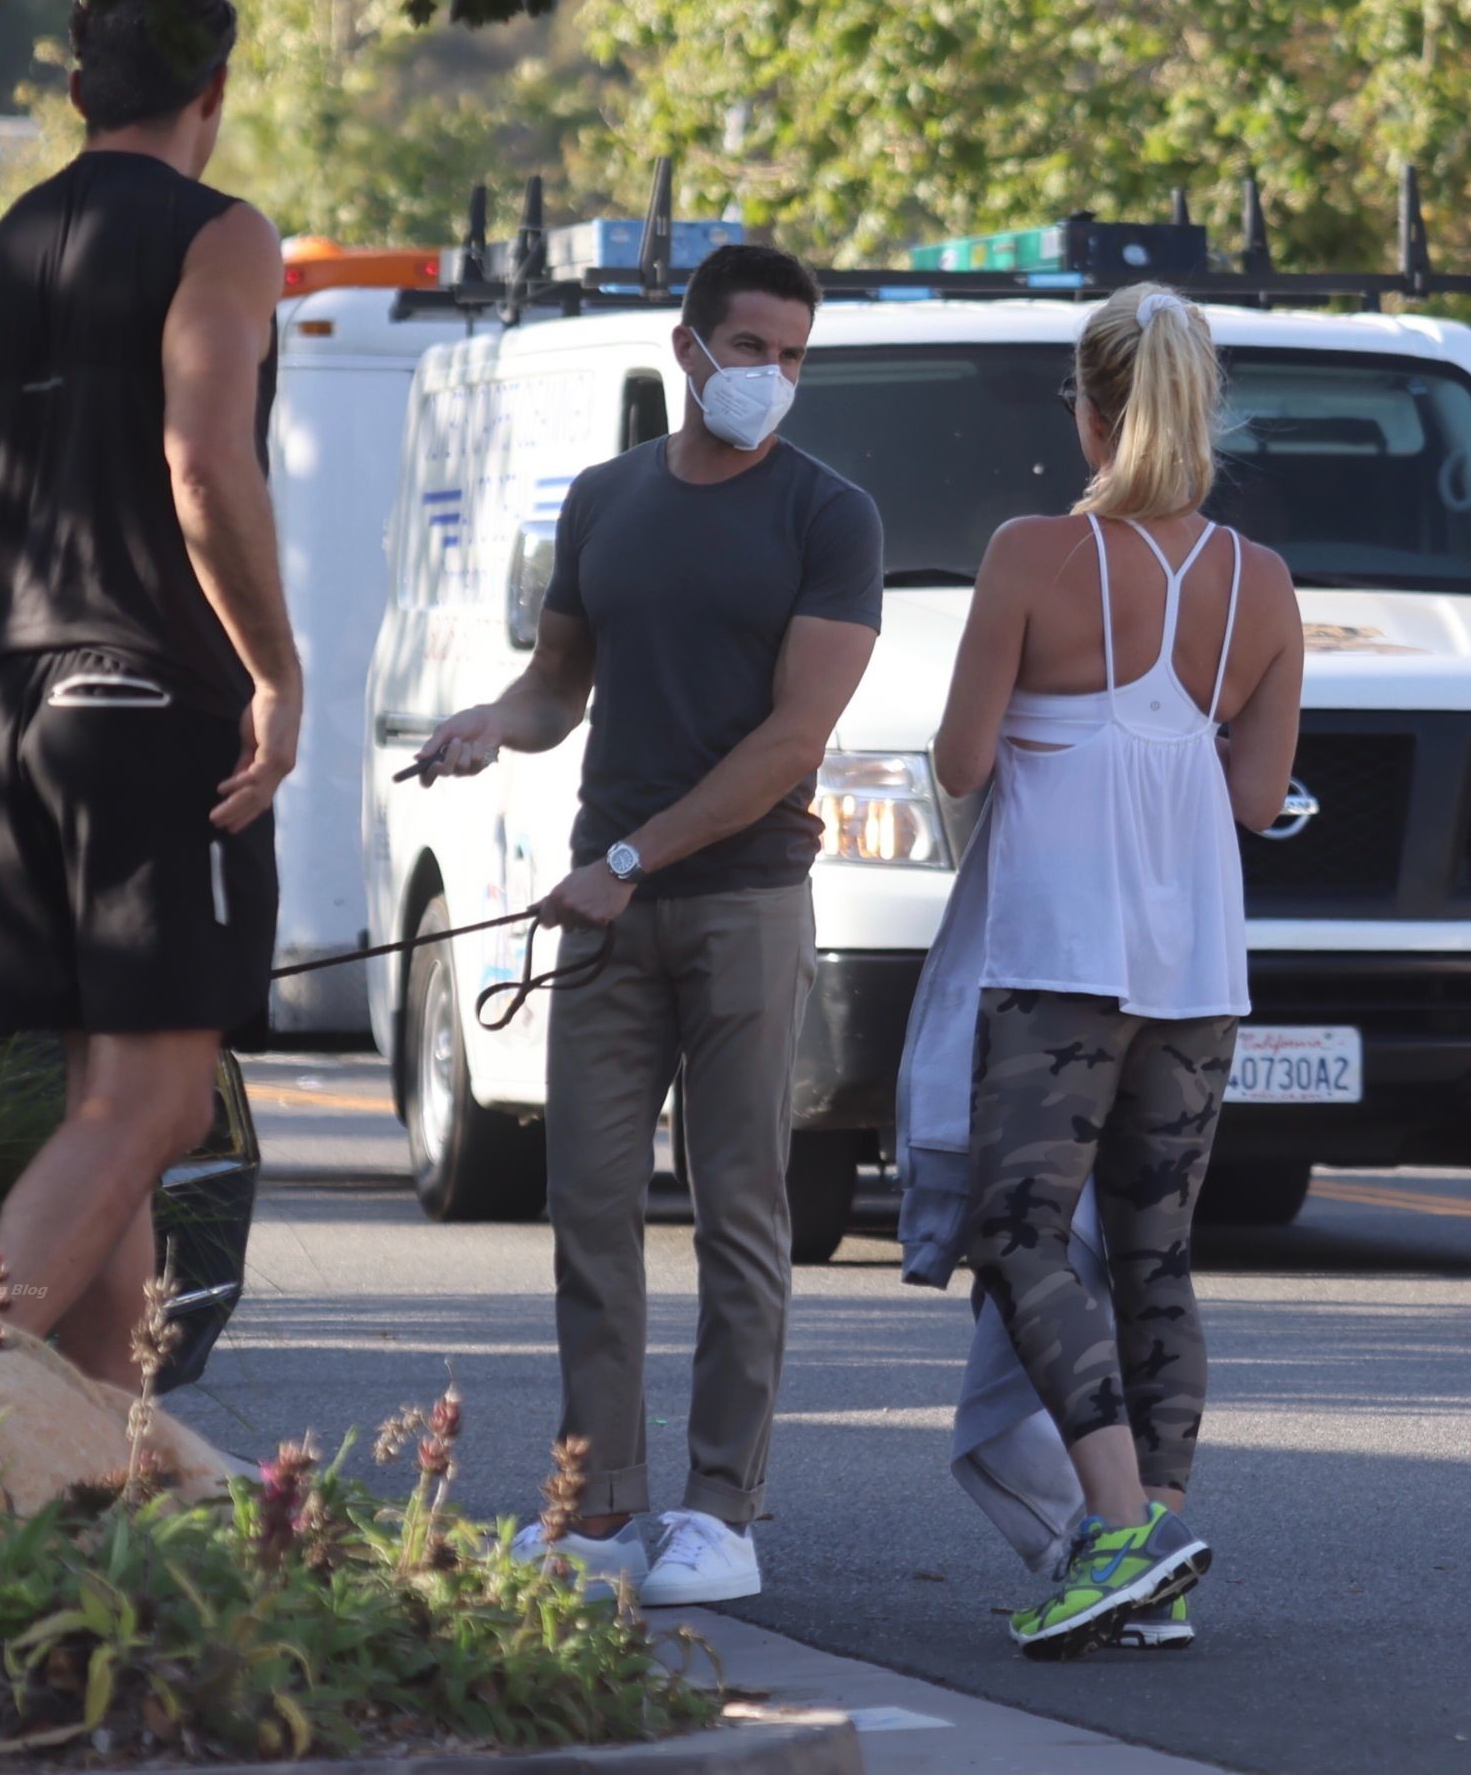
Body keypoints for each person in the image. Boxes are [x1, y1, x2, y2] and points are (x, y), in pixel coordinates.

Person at [0, 0, 298, 1388]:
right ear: (215, 90)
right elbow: (201, 461)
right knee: (157, 1108)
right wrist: (274, 675)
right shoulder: (225, 236)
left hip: (34, 724)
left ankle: (109, 1476)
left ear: (81, 85)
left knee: (108, 1106)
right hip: (160, 713)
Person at [418, 244, 883, 1604]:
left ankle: (721, 1514)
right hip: (607, 908)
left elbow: (794, 740)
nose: (773, 377)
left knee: (739, 1213)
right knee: (588, 1208)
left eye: (794, 357)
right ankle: (600, 1508)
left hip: (741, 900)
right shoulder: (607, 499)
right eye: (751, 350)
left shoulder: (829, 515)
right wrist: (488, 725)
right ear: (688, 350)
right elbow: (556, 688)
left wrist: (628, 857)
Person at [899, 282, 1302, 1656]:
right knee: (1155, 1251)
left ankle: (1119, 1532)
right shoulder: (1261, 583)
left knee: (1020, 1234)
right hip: (1197, 962)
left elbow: (961, 763)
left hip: (1060, 952)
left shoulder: (1030, 554)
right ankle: (1154, 1555)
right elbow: (1259, 800)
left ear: (1088, 414)